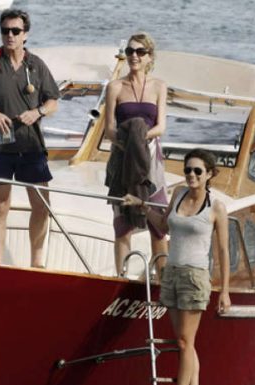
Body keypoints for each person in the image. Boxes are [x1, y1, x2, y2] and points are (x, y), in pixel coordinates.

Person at [125, 149, 231, 385]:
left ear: (209, 174)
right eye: (187, 170)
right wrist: (142, 205)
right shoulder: (179, 195)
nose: (191, 175)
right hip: (171, 274)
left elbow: (222, 251)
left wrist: (225, 291)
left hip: (195, 278)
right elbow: (163, 225)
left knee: (184, 342)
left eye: (197, 171)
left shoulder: (216, 207)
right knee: (185, 342)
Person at [0, 8, 60, 268]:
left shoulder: (36, 65)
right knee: (0, 206)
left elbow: (53, 102)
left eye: (16, 31)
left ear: (25, 34)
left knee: (41, 205)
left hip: (30, 146)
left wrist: (37, 112)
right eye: (5, 31)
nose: (10, 36)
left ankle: (37, 263)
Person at [105, 33, 169, 277]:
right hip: (122, 157)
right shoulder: (115, 87)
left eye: (140, 52)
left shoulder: (159, 86)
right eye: (130, 51)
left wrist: (140, 139)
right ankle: (121, 278)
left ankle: (162, 281)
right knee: (122, 225)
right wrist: (128, 143)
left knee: (158, 224)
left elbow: (161, 126)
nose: (134, 56)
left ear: (149, 57)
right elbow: (109, 130)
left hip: (151, 158)